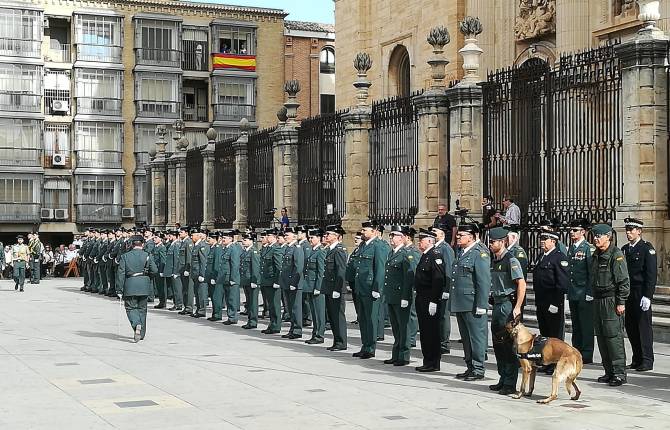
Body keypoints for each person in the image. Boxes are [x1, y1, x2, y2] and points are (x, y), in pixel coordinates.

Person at [487, 227, 526, 395]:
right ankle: (502, 378)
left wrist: (517, 307)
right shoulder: (494, 260)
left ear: (502, 242)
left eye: (493, 242)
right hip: (497, 304)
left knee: (508, 345)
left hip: (507, 305)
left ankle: (510, 382)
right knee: (498, 343)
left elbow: (521, 283)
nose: (490, 244)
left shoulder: (511, 260)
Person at [450, 223, 491, 381]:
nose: (458, 237)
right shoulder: (462, 252)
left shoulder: (479, 253)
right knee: (466, 337)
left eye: (461, 235)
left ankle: (478, 368)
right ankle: (470, 366)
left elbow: (483, 281)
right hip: (461, 302)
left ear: (472, 236)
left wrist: (482, 304)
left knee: (476, 337)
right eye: (458, 235)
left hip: (473, 303)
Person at [590, 223, 630, 386]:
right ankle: (608, 371)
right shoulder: (596, 255)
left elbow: (623, 281)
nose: (596, 239)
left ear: (608, 237)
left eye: (599, 236)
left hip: (611, 300)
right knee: (601, 336)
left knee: (613, 337)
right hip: (598, 299)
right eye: (595, 236)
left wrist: (621, 301)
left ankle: (619, 373)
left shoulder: (616, 255)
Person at [621, 217, 656, 372]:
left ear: (639, 231)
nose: (629, 233)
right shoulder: (625, 249)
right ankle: (637, 358)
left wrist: (648, 295)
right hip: (629, 293)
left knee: (644, 328)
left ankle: (647, 360)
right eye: (627, 230)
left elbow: (651, 274)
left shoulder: (647, 249)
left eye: (632, 230)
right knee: (631, 327)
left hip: (641, 293)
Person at [532, 230, 569, 375]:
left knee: (555, 335)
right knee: (545, 333)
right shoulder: (542, 256)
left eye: (545, 239)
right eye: (541, 238)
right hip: (541, 301)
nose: (542, 241)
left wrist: (556, 302)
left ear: (553, 241)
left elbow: (562, 282)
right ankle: (547, 361)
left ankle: (556, 363)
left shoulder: (559, 257)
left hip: (553, 302)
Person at [353, 221, 388, 359]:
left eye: (365, 230)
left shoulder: (378, 246)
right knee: (363, 318)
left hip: (370, 288)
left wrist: (377, 287)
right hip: (361, 287)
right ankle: (364, 345)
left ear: (374, 232)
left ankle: (370, 348)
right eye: (362, 230)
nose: (362, 232)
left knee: (371, 319)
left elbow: (380, 268)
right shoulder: (363, 245)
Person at [116, 233, 159, 342]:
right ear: (142, 244)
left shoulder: (125, 256)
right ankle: (142, 333)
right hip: (144, 284)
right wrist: (146, 277)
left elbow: (121, 274)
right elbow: (154, 270)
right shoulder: (147, 255)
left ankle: (136, 324)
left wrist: (119, 289)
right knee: (142, 309)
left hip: (130, 284)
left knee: (130, 308)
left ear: (132, 244)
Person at [414, 228, 446, 372]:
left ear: (429, 241)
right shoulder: (425, 255)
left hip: (430, 299)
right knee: (425, 331)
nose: (419, 243)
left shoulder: (435, 255)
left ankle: (433, 362)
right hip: (422, 297)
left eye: (421, 240)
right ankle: (427, 360)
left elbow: (438, 280)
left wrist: (434, 300)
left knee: (431, 332)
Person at [384, 226, 414, 367]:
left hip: (401, 295)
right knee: (395, 327)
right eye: (390, 236)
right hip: (391, 295)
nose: (391, 238)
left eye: (394, 236)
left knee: (404, 327)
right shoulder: (391, 253)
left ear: (402, 238)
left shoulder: (405, 253)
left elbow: (408, 278)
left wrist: (405, 297)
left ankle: (404, 355)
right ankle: (396, 354)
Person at [567, 218, 595, 365]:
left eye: (575, 230)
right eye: (571, 230)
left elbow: (591, 273)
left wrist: (590, 292)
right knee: (576, 324)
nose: (572, 232)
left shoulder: (588, 248)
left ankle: (587, 353)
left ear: (583, 232)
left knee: (586, 325)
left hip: (584, 292)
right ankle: (576, 350)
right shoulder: (571, 248)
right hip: (573, 292)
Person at [322, 224, 348, 351]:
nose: (326, 236)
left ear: (337, 236)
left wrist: (338, 289)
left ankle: (341, 342)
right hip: (329, 287)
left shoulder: (339, 250)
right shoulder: (330, 249)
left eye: (329, 234)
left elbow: (341, 272)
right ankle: (336, 340)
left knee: (338, 316)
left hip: (335, 289)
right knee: (332, 316)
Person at [431, 225, 455, 355]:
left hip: (443, 288)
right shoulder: (435, 248)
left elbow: (449, 270)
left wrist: (447, 289)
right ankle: (437, 340)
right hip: (435, 288)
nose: (433, 235)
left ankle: (444, 343)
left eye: (435, 232)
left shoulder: (445, 248)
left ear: (442, 235)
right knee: (436, 316)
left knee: (443, 316)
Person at [279, 227, 305, 339]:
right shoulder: (287, 248)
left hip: (294, 283)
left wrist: (294, 283)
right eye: (284, 236)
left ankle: (297, 330)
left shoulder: (297, 248)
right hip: (286, 282)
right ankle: (292, 329)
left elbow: (298, 267)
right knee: (290, 308)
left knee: (295, 307)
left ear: (294, 236)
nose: (285, 237)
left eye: (287, 235)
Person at [304, 228, 326, 344]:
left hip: (316, 286)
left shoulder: (321, 251)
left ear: (319, 238)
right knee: (313, 311)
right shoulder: (312, 251)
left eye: (312, 237)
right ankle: (315, 333)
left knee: (319, 312)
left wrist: (318, 287)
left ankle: (319, 334)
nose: (310, 239)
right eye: (309, 237)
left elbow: (321, 272)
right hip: (310, 285)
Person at [260, 229, 283, 335]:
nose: (266, 238)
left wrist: (277, 281)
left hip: (273, 281)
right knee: (270, 305)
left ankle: (276, 325)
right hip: (266, 280)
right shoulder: (267, 248)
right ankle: (272, 324)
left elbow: (279, 267)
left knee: (275, 304)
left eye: (268, 236)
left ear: (274, 237)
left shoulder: (276, 249)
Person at [240, 232, 261, 329]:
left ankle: (253, 321)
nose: (243, 242)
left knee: (253, 302)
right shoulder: (245, 251)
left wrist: (254, 281)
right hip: (246, 280)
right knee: (249, 301)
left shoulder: (254, 252)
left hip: (251, 281)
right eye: (243, 240)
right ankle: (250, 320)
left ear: (251, 241)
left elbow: (255, 268)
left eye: (245, 240)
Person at [220, 229, 241, 324]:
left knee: (232, 299)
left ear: (230, 238)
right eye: (222, 238)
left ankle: (233, 317)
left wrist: (233, 278)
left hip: (231, 278)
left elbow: (235, 265)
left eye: (224, 238)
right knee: (228, 298)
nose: (222, 239)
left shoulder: (233, 249)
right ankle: (230, 316)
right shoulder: (226, 248)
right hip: (226, 278)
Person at [206, 232, 223, 321]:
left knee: (216, 297)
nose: (208, 240)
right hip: (210, 276)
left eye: (210, 238)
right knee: (213, 296)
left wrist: (214, 277)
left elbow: (216, 264)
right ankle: (214, 313)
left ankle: (217, 314)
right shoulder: (212, 248)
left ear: (214, 239)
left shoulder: (217, 249)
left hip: (215, 277)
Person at [177, 227, 194, 316]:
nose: (179, 234)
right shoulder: (183, 242)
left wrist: (187, 269)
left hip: (186, 269)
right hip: (182, 269)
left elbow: (189, 257)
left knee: (188, 290)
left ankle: (189, 307)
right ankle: (186, 306)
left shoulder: (188, 242)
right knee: (184, 289)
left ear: (186, 233)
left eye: (181, 232)